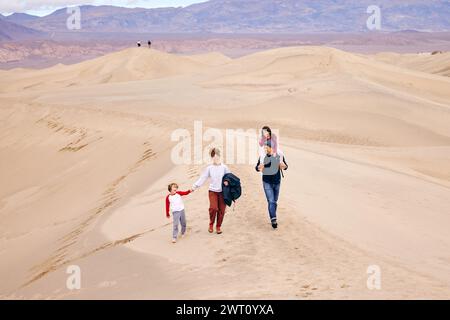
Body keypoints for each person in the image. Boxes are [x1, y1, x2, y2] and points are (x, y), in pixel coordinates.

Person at [192, 148, 230, 234]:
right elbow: (203, 178)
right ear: (211, 158)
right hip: (212, 191)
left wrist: (227, 182)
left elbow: (229, 177)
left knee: (222, 210)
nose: (215, 159)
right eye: (213, 157)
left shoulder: (224, 167)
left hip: (223, 192)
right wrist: (195, 186)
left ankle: (218, 226)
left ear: (219, 156)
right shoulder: (209, 168)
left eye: (217, 157)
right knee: (213, 208)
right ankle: (211, 224)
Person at [255, 140, 288, 229]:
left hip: (277, 181)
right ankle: (273, 219)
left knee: (275, 201)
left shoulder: (279, 155)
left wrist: (283, 166)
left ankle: (273, 214)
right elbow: (257, 167)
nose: (265, 149)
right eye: (265, 147)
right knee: (271, 201)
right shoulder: (263, 156)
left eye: (267, 147)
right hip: (267, 181)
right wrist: (259, 168)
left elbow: (285, 166)